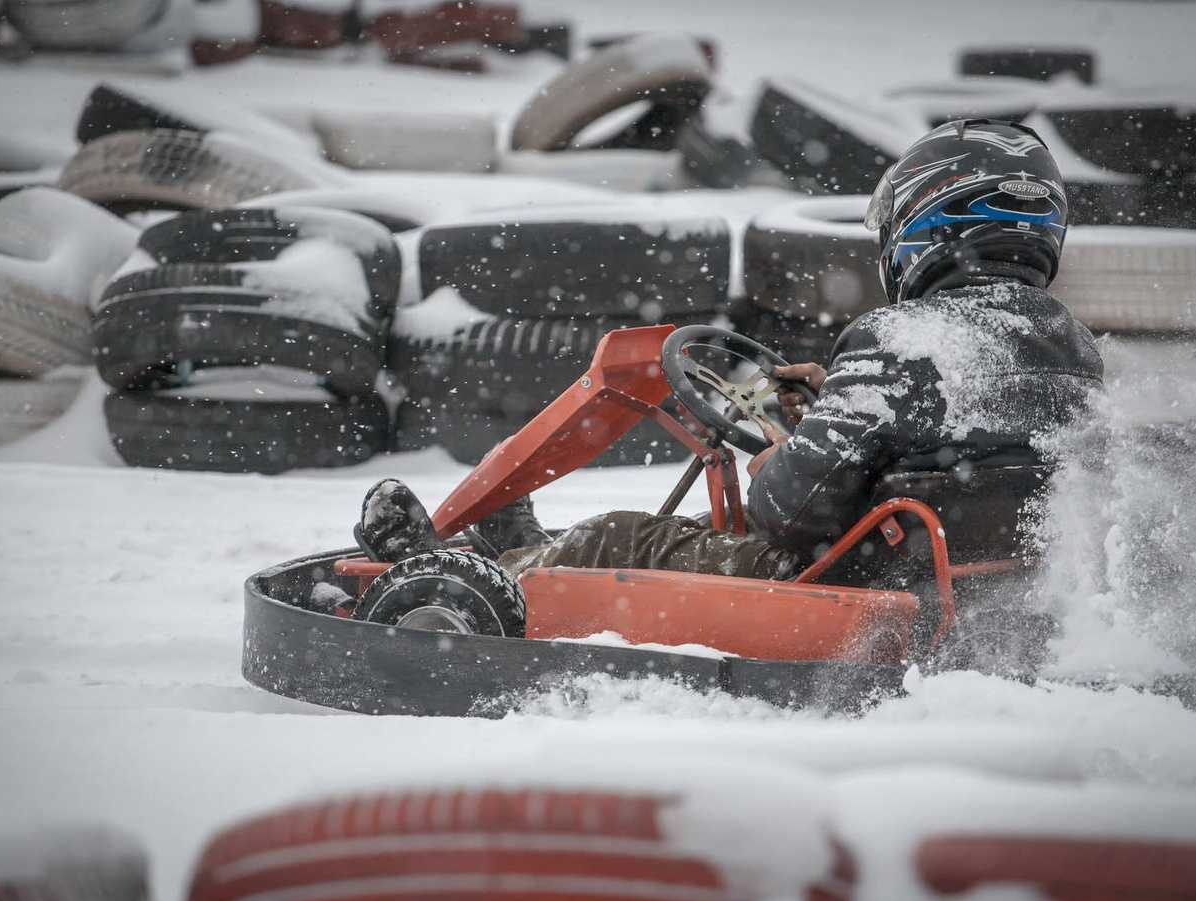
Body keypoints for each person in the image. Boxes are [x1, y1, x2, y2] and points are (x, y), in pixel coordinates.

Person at [358, 118, 1103, 587]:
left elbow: (787, 511)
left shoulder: (902, 341)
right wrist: (826, 409)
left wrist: (777, 450)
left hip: (851, 583)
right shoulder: (1071, 347)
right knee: (647, 539)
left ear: (926, 226)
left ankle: (448, 579)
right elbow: (948, 449)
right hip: (969, 580)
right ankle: (525, 552)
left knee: (621, 535)